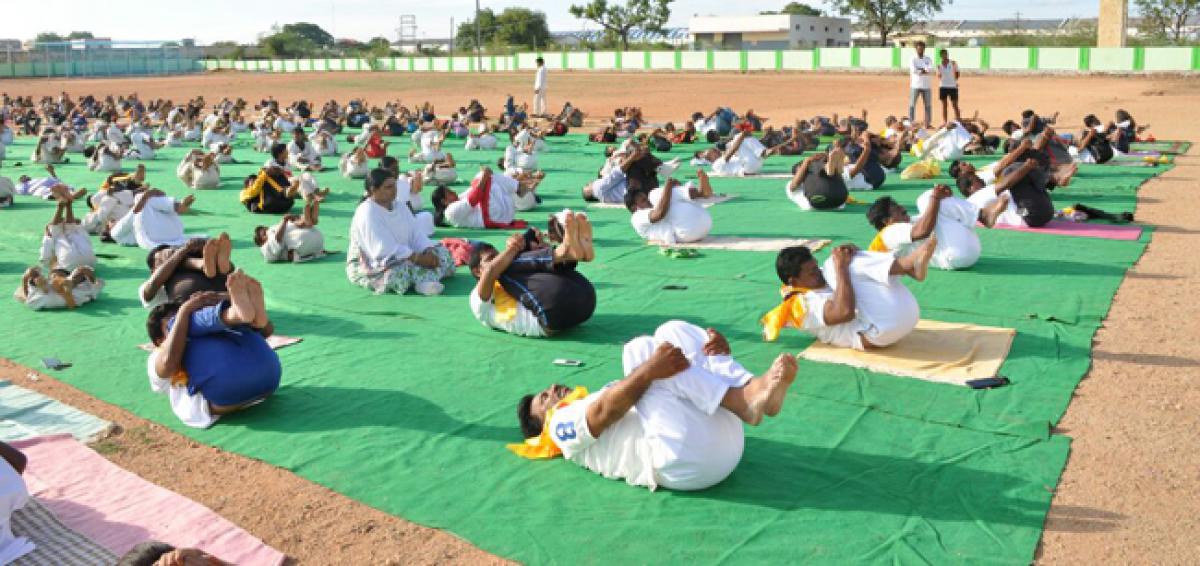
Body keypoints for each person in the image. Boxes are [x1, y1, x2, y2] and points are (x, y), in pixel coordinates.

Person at [510, 321, 798, 491]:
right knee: (639, 353)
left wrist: (713, 359)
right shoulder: (560, 428)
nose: (551, 390)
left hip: (720, 443)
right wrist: (649, 370)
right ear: (542, 425)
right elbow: (603, 413)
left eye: (546, 390)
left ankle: (748, 389)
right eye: (544, 399)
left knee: (672, 331)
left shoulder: (601, 392)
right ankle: (743, 399)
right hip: (686, 464)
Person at [145, 272, 281, 428]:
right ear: (159, 341)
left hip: (268, 383)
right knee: (190, 324)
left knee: (245, 323)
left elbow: (266, 331)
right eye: (171, 327)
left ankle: (236, 311)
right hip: (216, 399)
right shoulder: (156, 357)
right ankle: (234, 313)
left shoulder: (215, 335)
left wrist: (220, 299)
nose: (182, 326)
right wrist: (183, 314)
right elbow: (168, 364)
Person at [763, 242, 935, 350]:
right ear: (793, 281)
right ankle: (908, 265)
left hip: (899, 320)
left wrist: (852, 253)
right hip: (876, 333)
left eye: (816, 267)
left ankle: (910, 267)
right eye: (812, 272)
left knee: (842, 259)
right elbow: (844, 313)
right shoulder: (798, 307)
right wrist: (841, 267)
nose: (818, 273)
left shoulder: (818, 278)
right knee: (835, 264)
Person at [469, 220, 597, 337]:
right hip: (550, 317)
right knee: (506, 267)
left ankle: (572, 253)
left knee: (516, 259)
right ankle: (564, 252)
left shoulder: (515, 276)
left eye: (498, 255)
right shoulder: (477, 298)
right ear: (477, 271)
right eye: (491, 258)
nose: (497, 259)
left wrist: (533, 243)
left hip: (586, 299)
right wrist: (513, 248)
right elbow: (490, 270)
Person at [347, 168, 455, 296]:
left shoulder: (400, 206)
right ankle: (422, 283)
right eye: (388, 187)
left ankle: (422, 280)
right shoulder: (366, 211)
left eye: (394, 185)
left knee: (443, 254)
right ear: (373, 190)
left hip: (407, 255)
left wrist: (428, 251)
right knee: (397, 273)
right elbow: (383, 249)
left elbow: (416, 234)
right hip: (376, 262)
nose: (394, 190)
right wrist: (417, 258)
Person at [866, 186, 981, 270]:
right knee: (926, 198)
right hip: (955, 255)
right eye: (895, 208)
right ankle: (983, 215)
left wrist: (945, 197)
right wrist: (936, 197)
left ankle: (983, 214)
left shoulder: (906, 224)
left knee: (934, 203)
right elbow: (923, 231)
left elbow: (931, 214)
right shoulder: (890, 232)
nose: (902, 207)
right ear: (887, 221)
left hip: (965, 253)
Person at [140, 235, 234, 309]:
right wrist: (181, 252)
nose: (169, 257)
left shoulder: (188, 261)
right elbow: (151, 287)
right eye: (161, 260)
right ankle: (208, 265)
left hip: (224, 296)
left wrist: (201, 246)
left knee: (219, 266)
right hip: (198, 310)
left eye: (172, 252)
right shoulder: (150, 285)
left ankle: (219, 262)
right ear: (153, 271)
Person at [625, 174, 714, 244]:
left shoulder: (651, 208)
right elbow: (660, 214)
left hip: (699, 228)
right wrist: (668, 186)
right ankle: (700, 193)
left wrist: (673, 188)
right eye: (644, 200)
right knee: (655, 194)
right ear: (634, 207)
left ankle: (699, 193)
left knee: (664, 196)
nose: (648, 202)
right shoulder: (636, 217)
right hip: (684, 232)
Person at [436, 167, 534, 229]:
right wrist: (484, 175)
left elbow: (474, 188)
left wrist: (485, 174)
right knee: (483, 177)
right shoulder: (449, 212)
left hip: (502, 213)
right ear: (444, 201)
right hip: (491, 217)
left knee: (489, 178)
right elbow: (474, 198)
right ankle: (520, 186)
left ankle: (520, 186)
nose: (453, 192)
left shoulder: (459, 198)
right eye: (449, 192)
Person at [110, 189, 198, 249]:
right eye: (111, 222)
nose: (114, 220)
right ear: (107, 229)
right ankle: (176, 205)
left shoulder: (139, 223)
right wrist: (148, 194)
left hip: (169, 234)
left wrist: (153, 194)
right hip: (152, 237)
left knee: (146, 202)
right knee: (140, 198)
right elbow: (135, 211)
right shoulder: (114, 233)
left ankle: (176, 206)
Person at [254, 198, 326, 263]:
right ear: (262, 241)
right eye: (264, 233)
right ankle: (310, 221)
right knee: (296, 223)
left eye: (266, 228)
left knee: (296, 221)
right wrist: (285, 220)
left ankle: (310, 220)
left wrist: (292, 218)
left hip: (313, 240)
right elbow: (277, 240)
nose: (267, 230)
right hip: (310, 242)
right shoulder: (266, 246)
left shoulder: (275, 228)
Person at [15, 265, 103, 310]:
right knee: (81, 272)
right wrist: (94, 282)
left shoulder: (38, 294)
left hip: (46, 295)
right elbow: (88, 273)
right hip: (71, 295)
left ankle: (63, 284)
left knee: (35, 276)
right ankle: (67, 284)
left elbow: (21, 294)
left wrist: (25, 289)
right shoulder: (82, 291)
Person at [240, 147, 298, 214]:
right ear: (246, 185)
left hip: (284, 204)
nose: (254, 181)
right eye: (252, 181)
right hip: (267, 205)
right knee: (267, 178)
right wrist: (265, 173)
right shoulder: (243, 193)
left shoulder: (262, 185)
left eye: (255, 180)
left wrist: (278, 172)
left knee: (270, 178)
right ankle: (286, 192)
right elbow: (254, 190)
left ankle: (287, 191)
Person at [784, 152, 849, 211]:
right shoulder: (815, 164)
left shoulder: (811, 165)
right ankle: (831, 166)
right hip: (840, 201)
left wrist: (807, 162)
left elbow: (793, 187)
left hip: (815, 202)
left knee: (790, 185)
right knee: (831, 174)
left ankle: (830, 166)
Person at [909, 41, 934, 129]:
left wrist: (921, 70)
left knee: (928, 105)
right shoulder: (913, 59)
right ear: (916, 49)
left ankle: (927, 123)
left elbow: (931, 70)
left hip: (926, 86)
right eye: (918, 48)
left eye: (922, 48)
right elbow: (914, 71)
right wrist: (924, 70)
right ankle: (911, 123)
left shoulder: (928, 59)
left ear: (924, 48)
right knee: (912, 105)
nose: (920, 50)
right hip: (915, 85)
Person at [936, 48, 961, 125]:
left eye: (945, 54)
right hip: (943, 86)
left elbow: (957, 73)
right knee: (944, 105)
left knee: (955, 104)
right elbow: (939, 76)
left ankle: (958, 120)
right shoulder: (939, 65)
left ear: (947, 54)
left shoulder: (953, 63)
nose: (944, 56)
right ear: (940, 56)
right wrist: (939, 70)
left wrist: (954, 81)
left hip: (952, 87)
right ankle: (945, 121)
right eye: (943, 55)